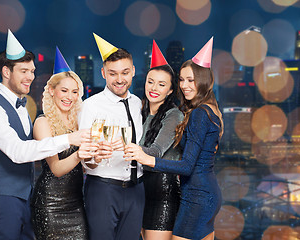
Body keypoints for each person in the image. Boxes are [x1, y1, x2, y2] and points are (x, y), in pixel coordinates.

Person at [0, 30, 87, 240]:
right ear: (6, 72)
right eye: (24, 71)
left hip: (28, 198)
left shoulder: (22, 108)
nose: (30, 77)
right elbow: (17, 152)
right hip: (2, 200)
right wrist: (70, 140)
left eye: (33, 71)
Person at [124, 37, 223, 240]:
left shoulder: (198, 114)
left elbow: (187, 166)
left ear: (203, 82)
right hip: (203, 193)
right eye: (182, 79)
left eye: (191, 80)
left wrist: (147, 159)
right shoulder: (208, 111)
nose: (185, 85)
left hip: (197, 196)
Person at [77, 33, 144, 240]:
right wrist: (95, 158)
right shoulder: (91, 106)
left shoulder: (138, 103)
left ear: (133, 71)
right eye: (113, 73)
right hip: (103, 189)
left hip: (137, 188)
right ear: (103, 73)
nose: (120, 79)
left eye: (125, 72)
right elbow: (84, 156)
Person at [30, 47, 100, 240]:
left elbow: (89, 165)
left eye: (75, 92)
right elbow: (56, 169)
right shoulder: (42, 123)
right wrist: (79, 154)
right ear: (52, 91)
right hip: (50, 205)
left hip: (76, 204)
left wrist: (97, 157)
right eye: (64, 90)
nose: (69, 97)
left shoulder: (80, 121)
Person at [139, 40, 183, 240]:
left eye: (162, 84)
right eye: (151, 81)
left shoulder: (174, 115)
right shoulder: (139, 111)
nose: (154, 88)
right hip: (140, 191)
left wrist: (126, 149)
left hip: (163, 191)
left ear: (170, 90)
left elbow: (156, 152)